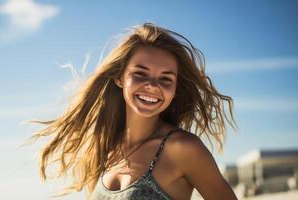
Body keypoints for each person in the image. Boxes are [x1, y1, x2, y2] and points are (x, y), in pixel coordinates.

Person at [28, 23, 238, 200]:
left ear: (175, 89)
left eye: (166, 78)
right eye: (140, 73)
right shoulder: (106, 148)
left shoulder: (182, 148)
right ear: (120, 78)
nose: (152, 85)